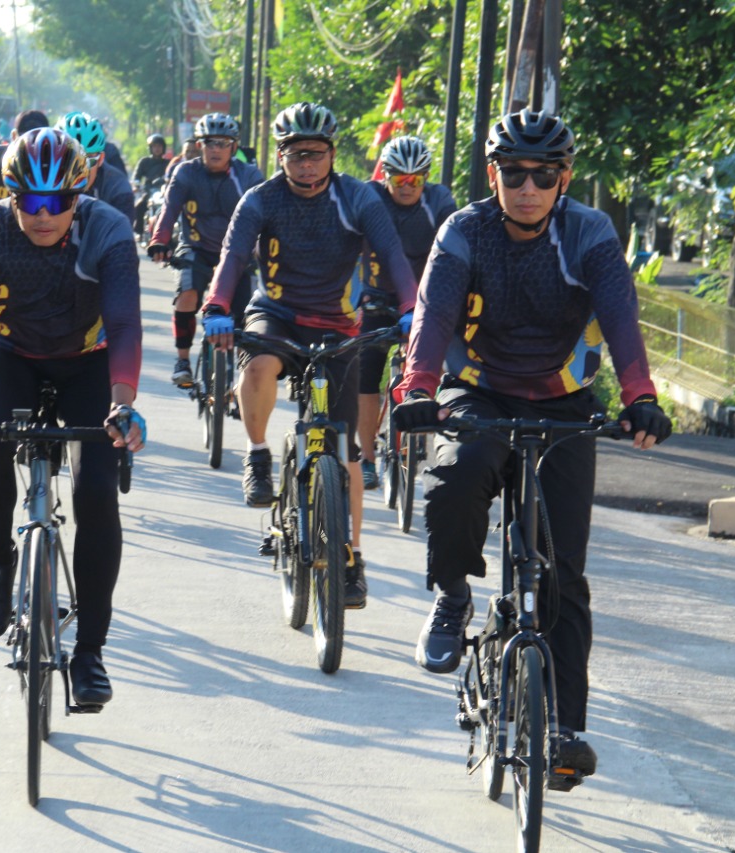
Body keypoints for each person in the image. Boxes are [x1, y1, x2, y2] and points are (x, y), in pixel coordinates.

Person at [391, 109, 672, 778]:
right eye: (513, 172)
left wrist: (642, 396)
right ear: (494, 174)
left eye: (543, 175)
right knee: (457, 479)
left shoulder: (590, 232)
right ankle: (454, 591)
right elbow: (431, 317)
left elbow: (622, 319)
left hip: (562, 402)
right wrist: (417, 389)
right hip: (476, 391)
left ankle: (566, 729)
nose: (527, 187)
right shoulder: (465, 230)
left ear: (563, 179)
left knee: (563, 575)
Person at [0, 128, 145, 705]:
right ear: (10, 195)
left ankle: (91, 653)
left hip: (89, 361)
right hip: (10, 353)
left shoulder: (106, 227)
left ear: (80, 196)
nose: (44, 215)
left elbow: (125, 323)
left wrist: (123, 401)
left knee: (97, 491)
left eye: (58, 202)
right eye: (29, 201)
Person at [202, 102, 417, 609]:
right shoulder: (261, 199)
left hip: (339, 326)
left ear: (331, 154)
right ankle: (257, 453)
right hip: (276, 313)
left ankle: (352, 558)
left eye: (316, 154)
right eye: (296, 154)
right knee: (257, 365)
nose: (306, 164)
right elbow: (232, 257)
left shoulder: (358, 198)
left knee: (344, 457)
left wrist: (411, 307)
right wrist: (215, 305)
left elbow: (392, 255)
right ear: (280, 156)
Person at [356, 136, 458, 489]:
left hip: (424, 301)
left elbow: (454, 247)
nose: (409, 186)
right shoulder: (369, 197)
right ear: (386, 176)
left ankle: (430, 431)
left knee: (440, 369)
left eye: (417, 179)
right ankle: (367, 458)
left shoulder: (439, 201)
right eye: (401, 179)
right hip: (375, 297)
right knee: (366, 375)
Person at [148, 112, 263, 386]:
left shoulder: (248, 176)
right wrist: (159, 240)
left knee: (245, 315)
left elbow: (266, 215)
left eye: (223, 143)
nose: (216, 149)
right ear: (199, 146)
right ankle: (183, 360)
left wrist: (264, 249)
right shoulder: (186, 172)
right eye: (210, 142)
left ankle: (241, 378)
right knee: (187, 293)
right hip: (195, 248)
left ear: (233, 147)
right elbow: (169, 210)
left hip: (236, 254)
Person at [56, 111, 136, 227]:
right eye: (70, 159)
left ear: (100, 159)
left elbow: (123, 235)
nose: (80, 169)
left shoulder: (118, 188)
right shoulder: (39, 183)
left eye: (89, 160)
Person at [0, 109, 50, 208]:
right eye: (25, 139)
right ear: (14, 136)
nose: (32, 145)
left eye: (37, 139)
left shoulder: (57, 163)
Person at [131, 133, 170, 236]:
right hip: (148, 191)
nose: (157, 149)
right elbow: (136, 177)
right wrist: (136, 185)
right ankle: (138, 231)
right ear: (150, 148)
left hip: (164, 192)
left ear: (163, 148)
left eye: (159, 146)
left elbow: (173, 176)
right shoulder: (144, 161)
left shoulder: (168, 163)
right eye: (154, 146)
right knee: (139, 206)